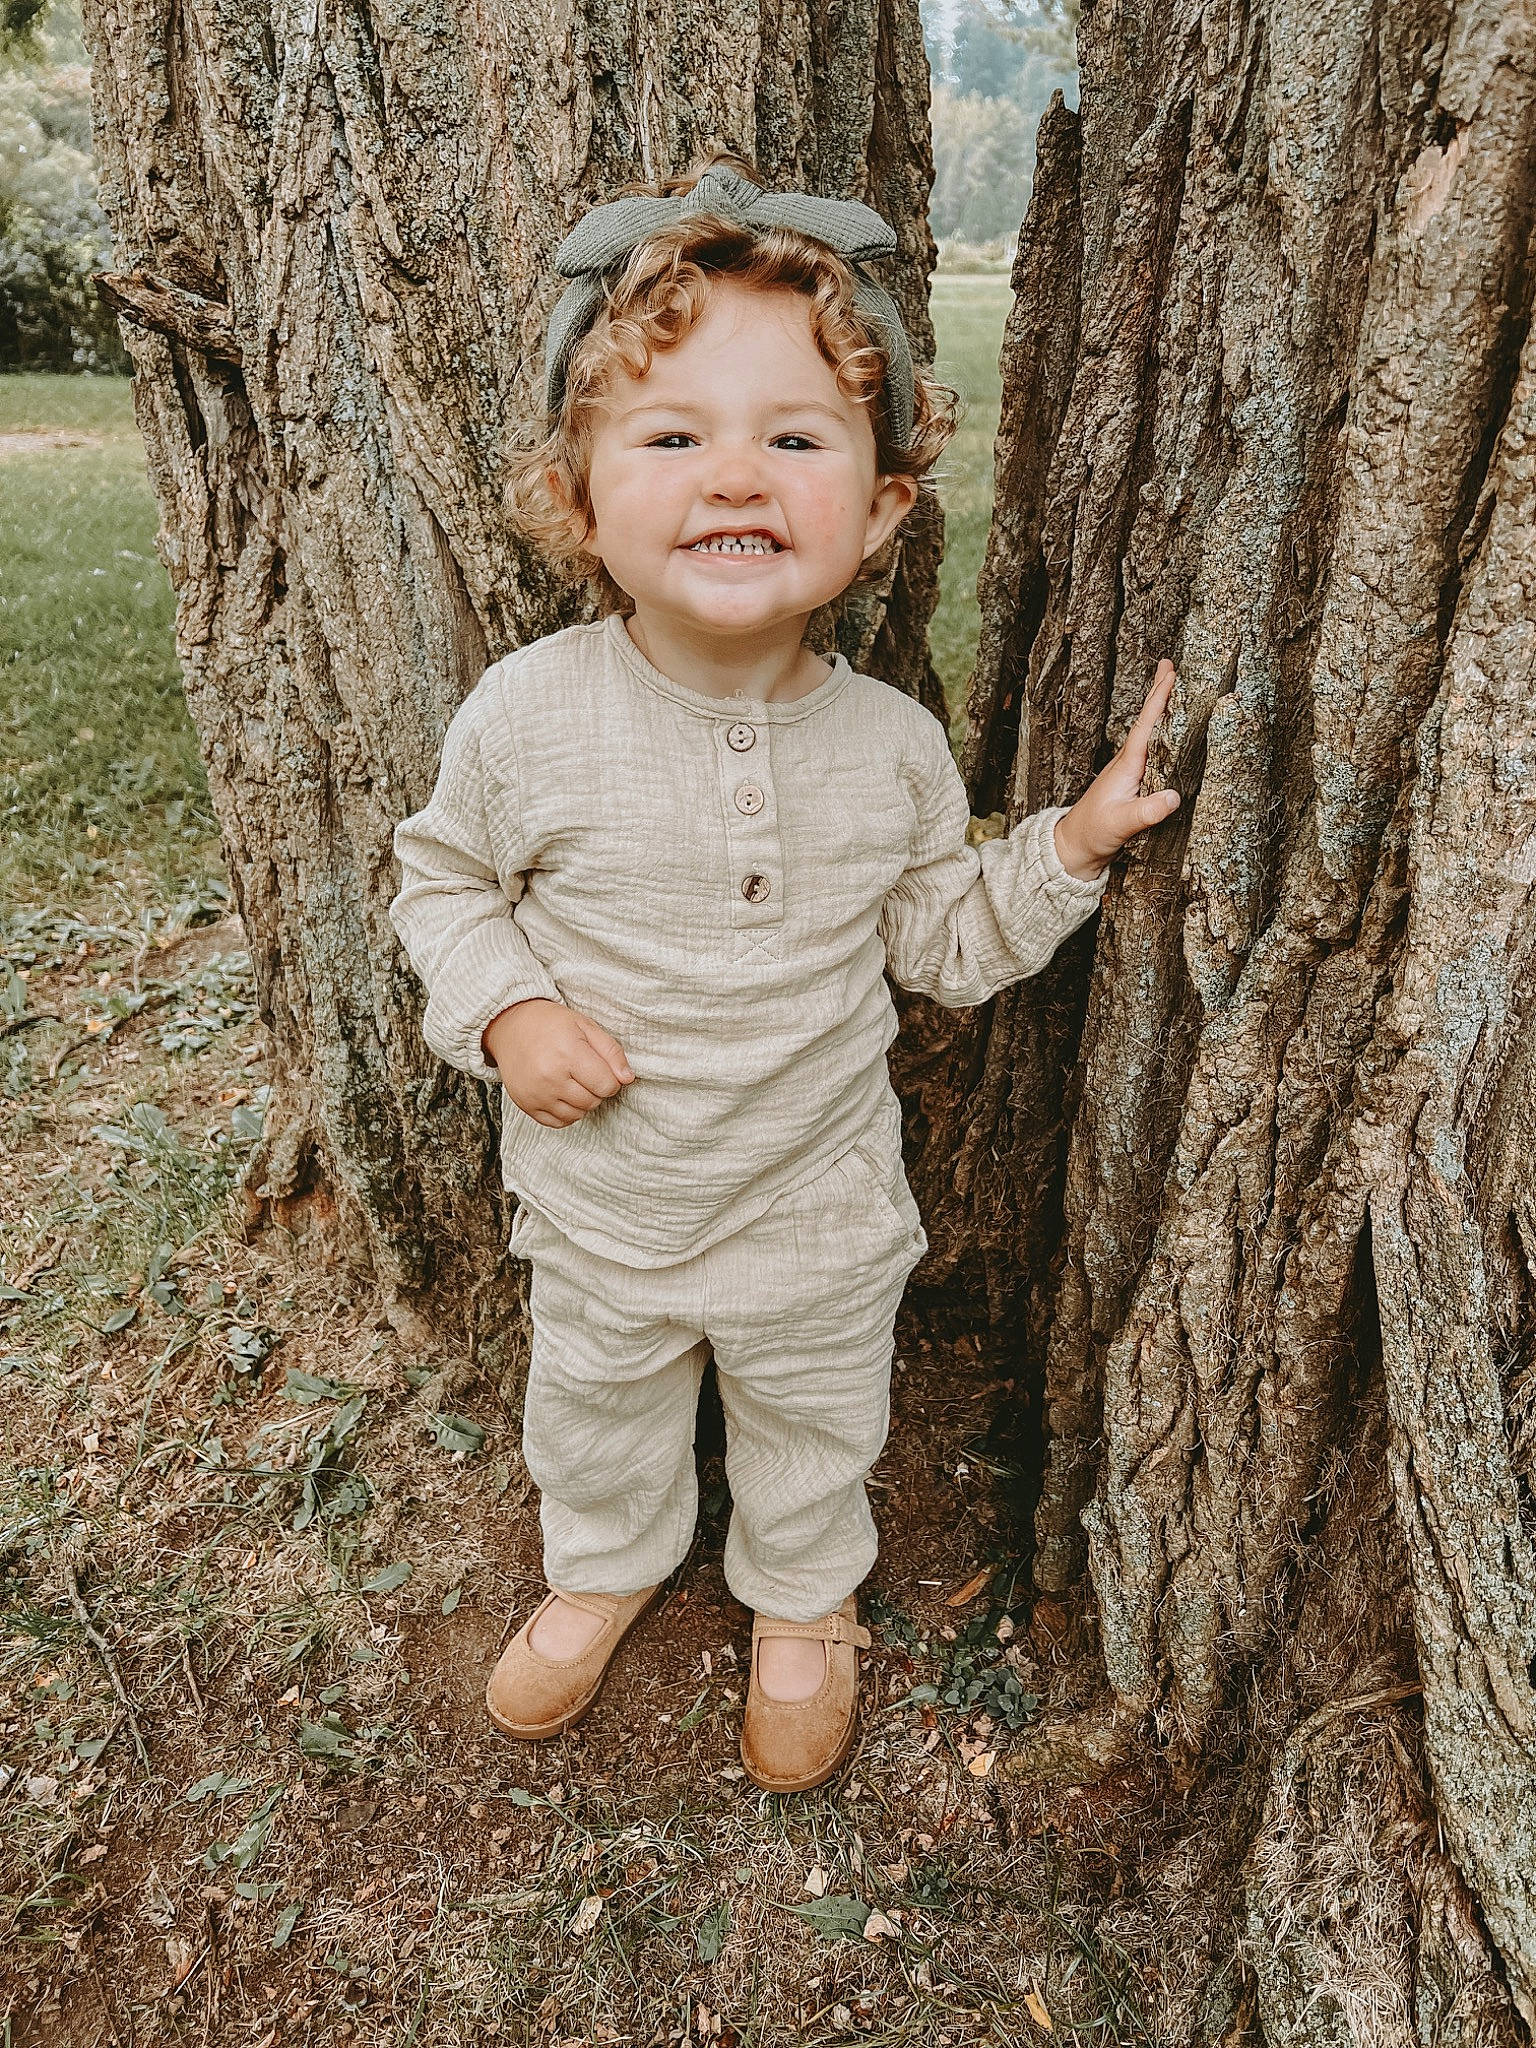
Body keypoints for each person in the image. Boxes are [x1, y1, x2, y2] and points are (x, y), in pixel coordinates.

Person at [388, 155, 1181, 1794]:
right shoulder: (531, 716)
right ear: (580, 493)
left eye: (796, 438)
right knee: (593, 1407)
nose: (734, 473)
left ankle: (802, 1599)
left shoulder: (888, 745)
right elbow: (442, 881)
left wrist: (1071, 851)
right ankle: (602, 1563)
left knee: (817, 1423)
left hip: (818, 1207)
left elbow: (936, 937)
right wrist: (508, 1009)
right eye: (672, 437)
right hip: (607, 1204)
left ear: (883, 504)